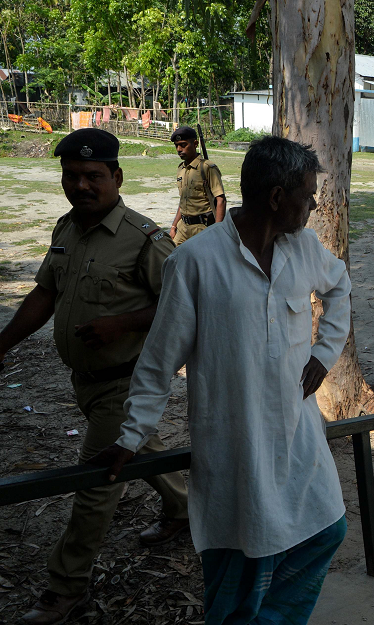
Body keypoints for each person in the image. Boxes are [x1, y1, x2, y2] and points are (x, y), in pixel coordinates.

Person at [92, 137, 351, 624]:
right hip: (235, 445)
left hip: (297, 435)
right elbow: (158, 360)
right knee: (242, 559)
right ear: (276, 197)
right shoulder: (195, 262)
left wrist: (325, 350)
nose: (315, 204)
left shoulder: (305, 249)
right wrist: (131, 437)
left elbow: (340, 287)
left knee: (325, 531)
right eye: (308, 193)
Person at [2, 129, 189, 625]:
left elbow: (183, 304)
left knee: (97, 479)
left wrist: (121, 323)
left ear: (117, 178)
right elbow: (44, 294)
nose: (81, 185)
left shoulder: (143, 237)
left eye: (93, 176)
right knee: (136, 450)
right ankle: (183, 507)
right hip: (84, 381)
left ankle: (65, 589)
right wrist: (1, 344)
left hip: (127, 384)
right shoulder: (66, 230)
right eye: (72, 176)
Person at [168, 126, 226, 244]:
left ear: (195, 144)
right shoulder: (181, 169)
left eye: (183, 145)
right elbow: (183, 200)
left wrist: (217, 230)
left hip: (202, 227)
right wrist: (174, 227)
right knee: (172, 256)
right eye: (176, 145)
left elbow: (221, 201)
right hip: (183, 227)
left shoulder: (207, 168)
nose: (179, 149)